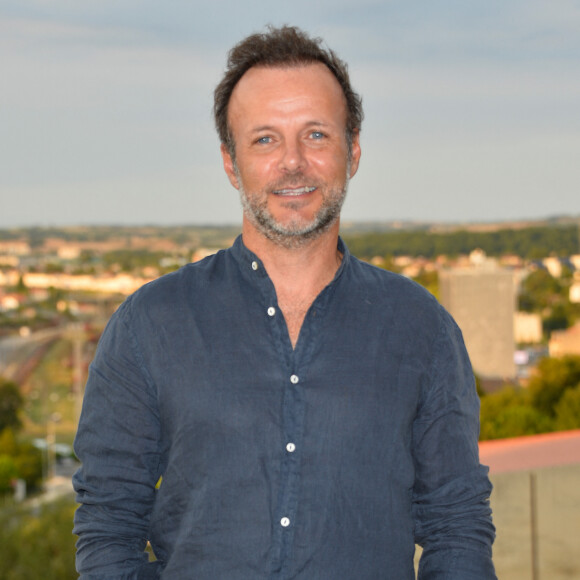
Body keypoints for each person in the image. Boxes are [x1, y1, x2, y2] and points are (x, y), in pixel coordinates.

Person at [73, 25, 496, 579]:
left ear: (354, 151)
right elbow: (109, 523)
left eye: (316, 135)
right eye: (265, 139)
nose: (293, 162)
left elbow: (456, 525)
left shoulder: (423, 329)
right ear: (230, 162)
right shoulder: (150, 325)